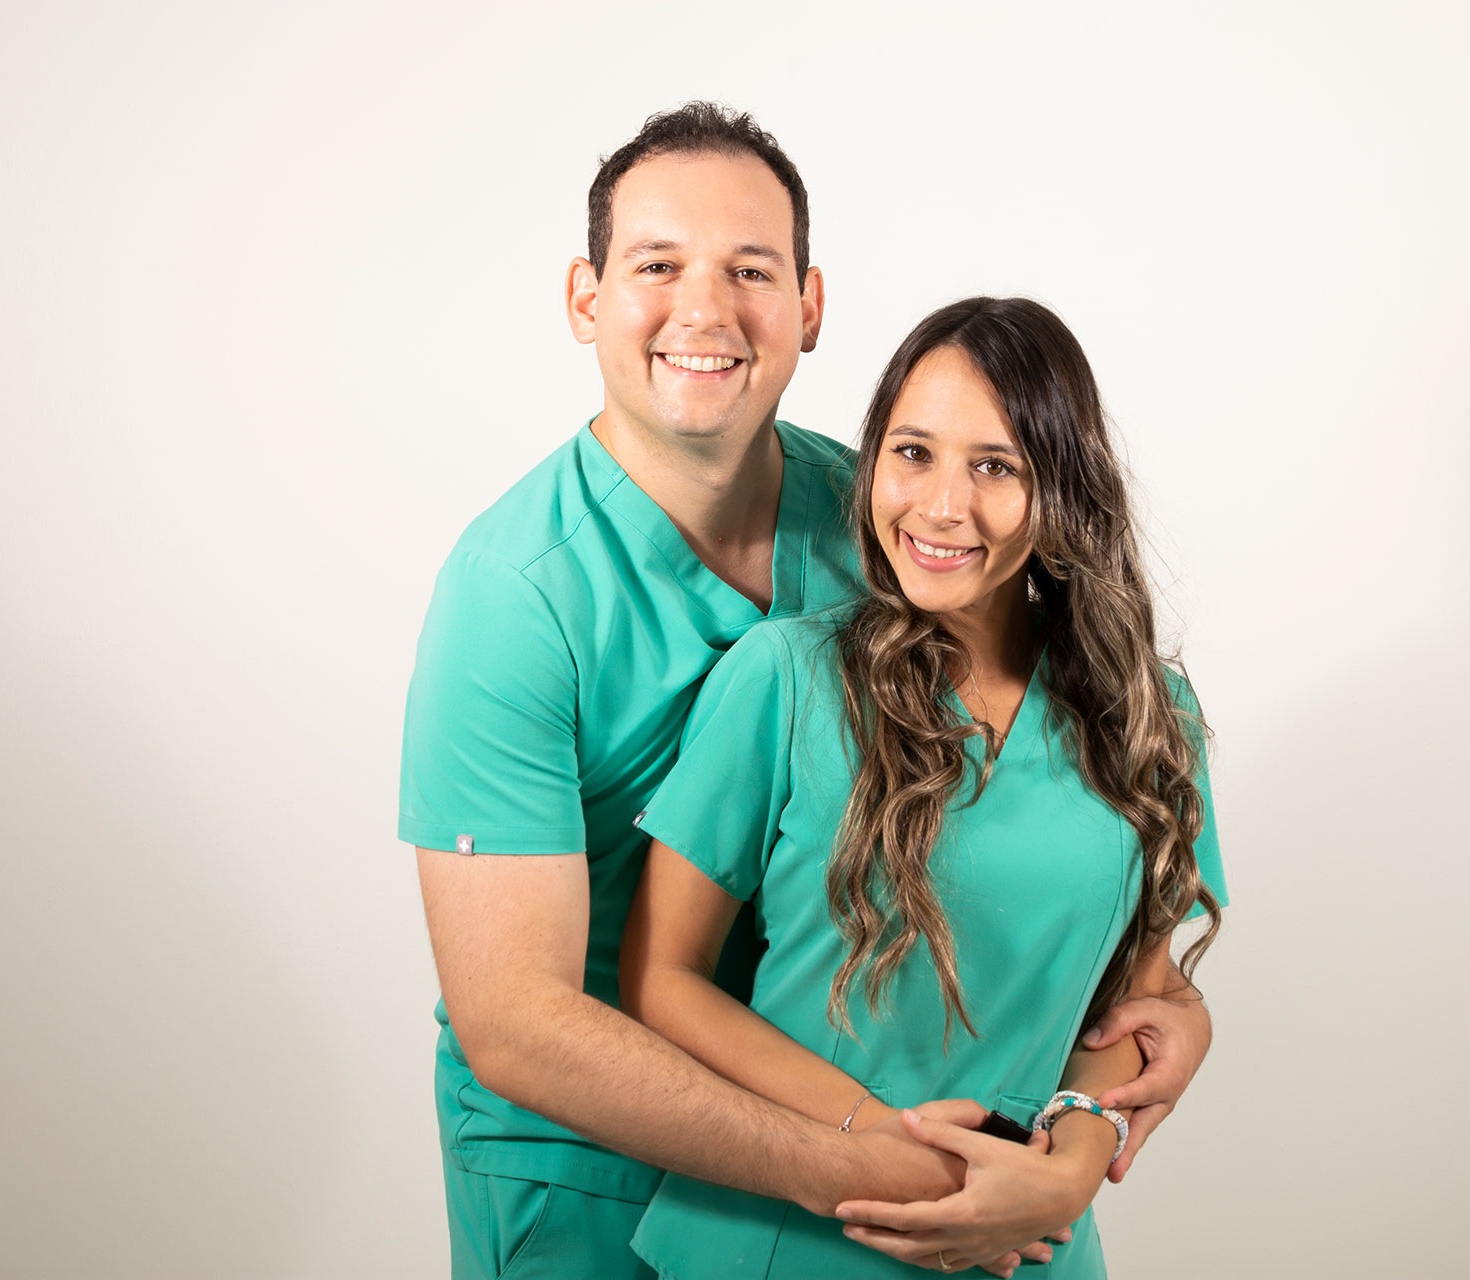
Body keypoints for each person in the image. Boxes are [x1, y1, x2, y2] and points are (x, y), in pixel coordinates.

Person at [402, 103, 1215, 1280]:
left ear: (809, 307)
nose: (705, 308)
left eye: (750, 269)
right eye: (657, 266)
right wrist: (892, 1169)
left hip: (852, 1118)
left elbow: (1058, 845)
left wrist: (1150, 1035)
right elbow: (516, 1022)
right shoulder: (512, 597)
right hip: (581, 1156)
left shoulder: (891, 523)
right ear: (586, 299)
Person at [620, 296, 1227, 1278]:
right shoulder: (785, 679)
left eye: (996, 466)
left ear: (1062, 487)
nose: (942, 504)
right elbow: (663, 978)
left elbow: (1142, 1002)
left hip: (1022, 1242)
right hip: (786, 1233)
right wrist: (873, 1135)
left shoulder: (1151, 718)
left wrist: (1071, 1167)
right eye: (912, 453)